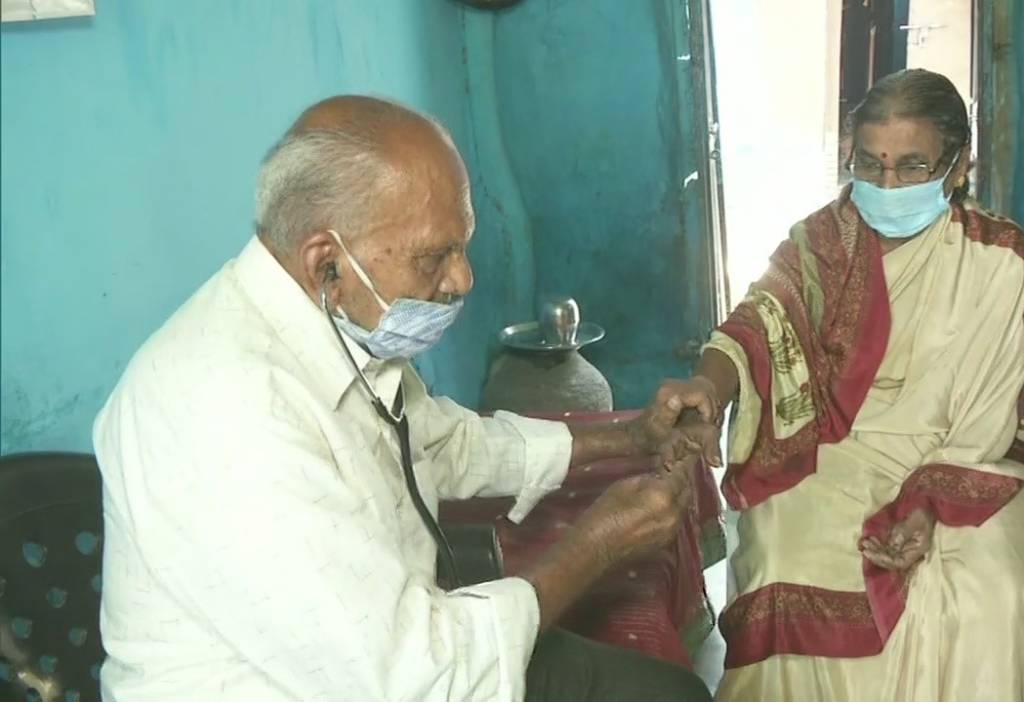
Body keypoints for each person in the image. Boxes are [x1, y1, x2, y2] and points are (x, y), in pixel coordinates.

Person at [93, 95, 714, 701]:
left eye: (463, 244)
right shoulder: (229, 415)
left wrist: (630, 438)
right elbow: (416, 681)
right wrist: (599, 541)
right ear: (326, 263)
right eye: (434, 255)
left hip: (399, 655)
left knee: (662, 692)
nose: (463, 278)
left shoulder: (328, 329)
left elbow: (445, 445)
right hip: (355, 683)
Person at [663, 68, 1024, 700]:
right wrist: (709, 386)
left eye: (912, 167)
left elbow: (991, 421)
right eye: (870, 164)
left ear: (959, 165)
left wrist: (928, 503)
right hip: (830, 456)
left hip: (964, 461)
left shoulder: (1003, 264)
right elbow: (757, 321)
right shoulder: (821, 243)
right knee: (782, 558)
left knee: (987, 588)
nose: (886, 185)